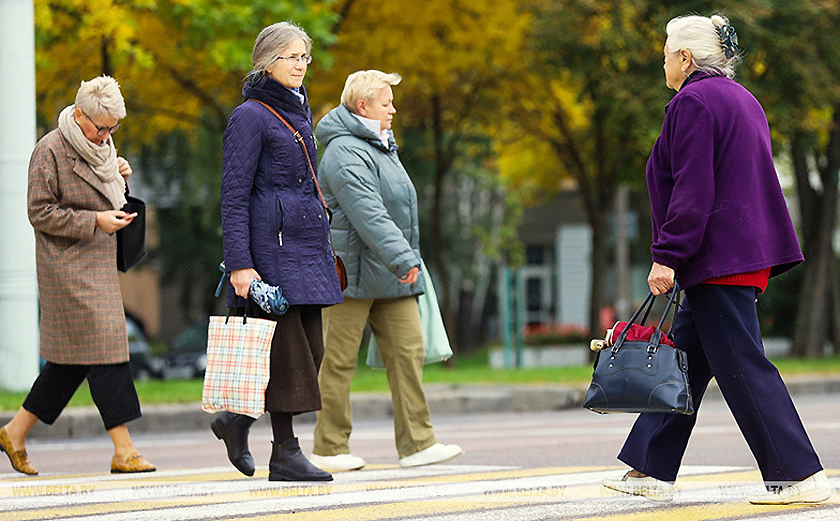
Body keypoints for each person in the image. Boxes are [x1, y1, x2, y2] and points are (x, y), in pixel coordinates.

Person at [601, 14, 832, 505]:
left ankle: (799, 475)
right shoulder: (742, 99)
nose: (662, 60)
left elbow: (693, 189)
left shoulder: (692, 103)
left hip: (717, 258)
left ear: (685, 58)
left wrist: (667, 256)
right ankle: (650, 467)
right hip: (739, 252)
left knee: (743, 366)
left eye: (666, 52)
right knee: (684, 359)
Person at [0, 76, 156, 475]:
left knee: (70, 363)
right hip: (66, 266)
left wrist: (121, 178)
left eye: (113, 128)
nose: (106, 135)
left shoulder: (103, 147)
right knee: (107, 347)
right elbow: (39, 212)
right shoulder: (49, 149)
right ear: (80, 114)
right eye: (101, 126)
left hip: (97, 262)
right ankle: (123, 450)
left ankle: (14, 432)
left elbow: (109, 197)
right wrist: (94, 220)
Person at [310, 70, 462, 471]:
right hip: (351, 274)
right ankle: (330, 448)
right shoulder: (344, 151)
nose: (393, 109)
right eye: (386, 102)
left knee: (409, 354)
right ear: (363, 106)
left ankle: (417, 443)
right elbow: (369, 214)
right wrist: (405, 258)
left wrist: (400, 260)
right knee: (338, 362)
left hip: (389, 274)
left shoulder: (380, 146)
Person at [216, 21, 342, 482]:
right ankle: (285, 453)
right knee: (289, 353)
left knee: (312, 350)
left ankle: (237, 420)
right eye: (292, 57)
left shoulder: (298, 111)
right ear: (267, 61)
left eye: (305, 57)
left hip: (306, 248)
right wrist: (241, 264)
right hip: (270, 252)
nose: (301, 65)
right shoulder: (249, 116)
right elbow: (233, 195)